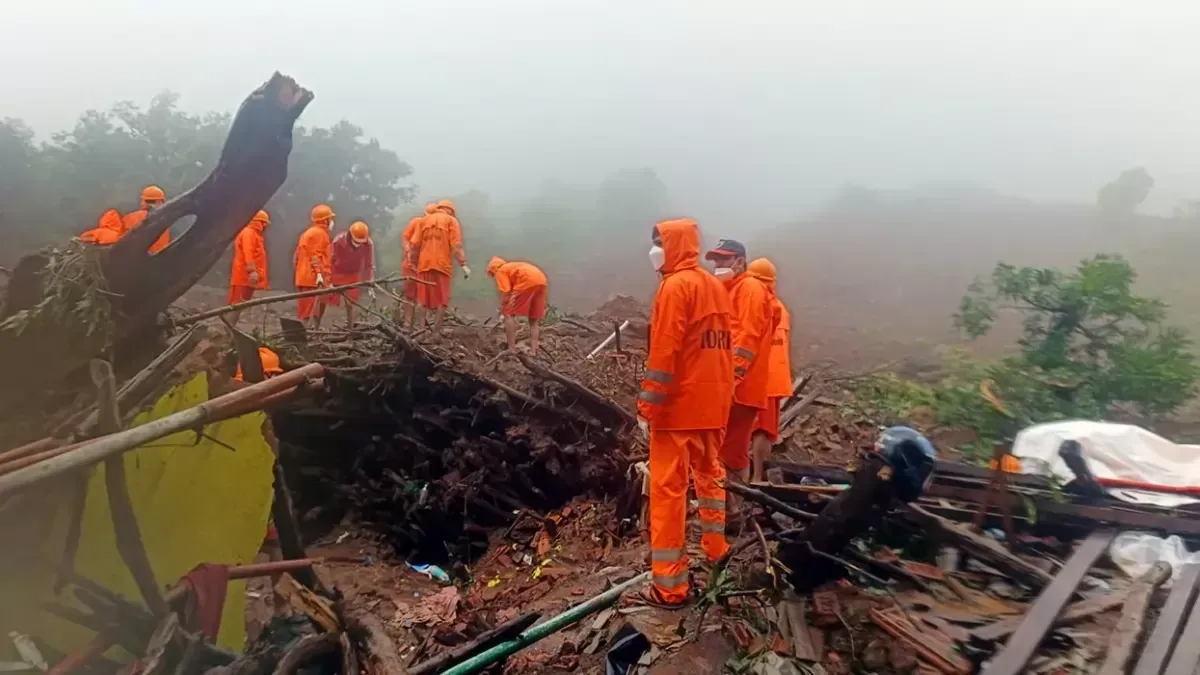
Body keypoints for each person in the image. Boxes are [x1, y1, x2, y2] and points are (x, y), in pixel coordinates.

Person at [637, 218, 734, 607]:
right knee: (711, 481)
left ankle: (670, 587)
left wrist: (647, 406)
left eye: (659, 242)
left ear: (674, 244)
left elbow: (664, 353)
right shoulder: (714, 285)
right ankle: (717, 553)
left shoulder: (675, 287)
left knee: (668, 492)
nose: (654, 250)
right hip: (713, 406)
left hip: (678, 410)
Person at [705, 239, 777, 526]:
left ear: (740, 261)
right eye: (715, 261)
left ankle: (731, 513)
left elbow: (745, 338)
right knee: (728, 449)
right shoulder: (732, 290)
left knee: (727, 450)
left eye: (724, 260)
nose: (718, 266)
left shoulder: (749, 290)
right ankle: (730, 510)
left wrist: (731, 376)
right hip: (733, 385)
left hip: (739, 387)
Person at [747, 258, 793, 483]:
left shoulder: (759, 303)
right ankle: (755, 477)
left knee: (759, 430)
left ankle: (755, 479)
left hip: (760, 377)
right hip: (773, 378)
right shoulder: (780, 307)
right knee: (761, 430)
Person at [407, 199, 469, 334]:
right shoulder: (452, 221)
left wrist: (412, 262)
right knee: (443, 300)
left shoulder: (424, 220)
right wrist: (463, 264)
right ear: (451, 211)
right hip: (443, 266)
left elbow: (414, 244)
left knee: (422, 300)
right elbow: (456, 245)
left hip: (424, 265)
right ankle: (436, 333)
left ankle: (421, 332)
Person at [486, 256, 549, 353]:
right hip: (541, 280)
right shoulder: (511, 267)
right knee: (533, 319)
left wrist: (503, 309)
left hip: (527, 280)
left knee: (508, 314)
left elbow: (505, 291)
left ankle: (511, 349)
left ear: (493, 269)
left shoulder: (500, 270)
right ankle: (533, 351)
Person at [327, 220, 376, 327]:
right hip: (337, 272)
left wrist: (370, 282)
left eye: (360, 242)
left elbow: (369, 264)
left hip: (354, 275)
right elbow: (330, 261)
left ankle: (351, 328)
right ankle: (331, 326)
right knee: (332, 303)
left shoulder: (368, 244)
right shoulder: (338, 241)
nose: (358, 244)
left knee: (352, 303)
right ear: (350, 235)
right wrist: (328, 280)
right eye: (356, 241)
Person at [293, 204, 334, 328]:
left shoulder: (309, 233)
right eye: (330, 218)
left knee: (311, 311)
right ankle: (307, 337)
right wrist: (319, 275)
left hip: (307, 278)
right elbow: (315, 256)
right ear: (325, 220)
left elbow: (296, 257)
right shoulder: (319, 234)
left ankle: (311, 336)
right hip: (313, 280)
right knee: (309, 312)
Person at [227, 210, 270, 326]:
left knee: (239, 306)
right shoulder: (248, 233)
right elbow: (248, 252)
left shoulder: (255, 235)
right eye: (264, 223)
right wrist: (252, 271)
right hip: (243, 277)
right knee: (236, 306)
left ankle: (229, 330)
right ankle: (227, 330)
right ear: (261, 223)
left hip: (247, 279)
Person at [400, 204, 437, 326]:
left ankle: (421, 324)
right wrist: (408, 251)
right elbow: (405, 237)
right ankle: (407, 322)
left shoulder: (436, 230)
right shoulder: (416, 222)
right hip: (410, 264)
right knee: (409, 294)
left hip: (425, 266)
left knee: (423, 296)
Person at [122, 185, 171, 254]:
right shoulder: (165, 219)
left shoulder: (130, 217)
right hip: (159, 260)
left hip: (135, 260)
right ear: (158, 201)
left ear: (143, 201)